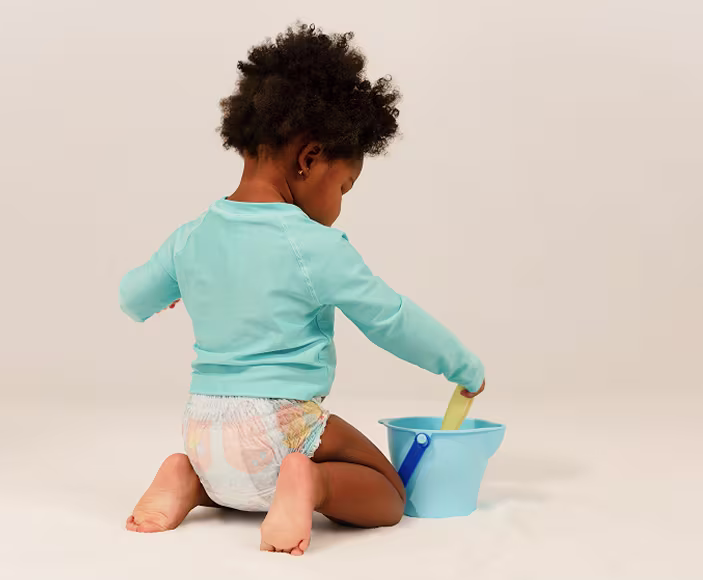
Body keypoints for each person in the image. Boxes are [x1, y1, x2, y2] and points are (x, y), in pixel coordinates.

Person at [119, 23, 485, 556]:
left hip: (201, 432)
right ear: (310, 158)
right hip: (280, 427)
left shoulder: (190, 237)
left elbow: (132, 298)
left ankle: (187, 479)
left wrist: (175, 288)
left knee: (238, 474)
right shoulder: (315, 245)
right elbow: (390, 319)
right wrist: (462, 367)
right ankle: (311, 483)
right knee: (389, 494)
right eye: (344, 186)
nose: (340, 203)